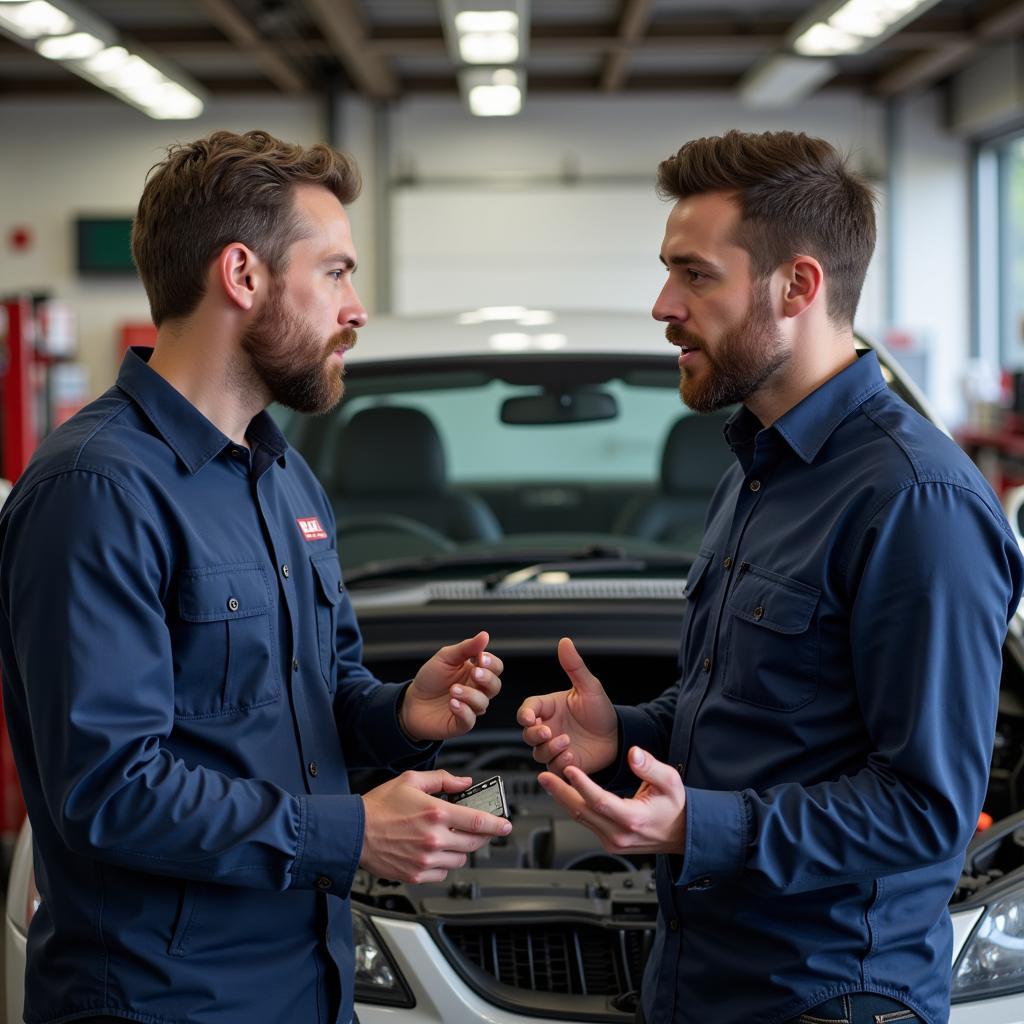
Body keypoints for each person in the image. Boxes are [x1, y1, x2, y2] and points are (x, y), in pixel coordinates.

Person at [0, 129, 511, 1024]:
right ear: (242, 275)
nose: (355, 309)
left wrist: (398, 715)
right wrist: (354, 831)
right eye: (337, 272)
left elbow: (314, 697)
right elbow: (109, 790)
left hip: (307, 987)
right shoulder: (96, 489)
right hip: (166, 1003)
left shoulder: (281, 474)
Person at [518, 130, 1024, 1024]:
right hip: (706, 982)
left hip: (830, 996)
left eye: (696, 275)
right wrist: (623, 731)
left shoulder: (916, 502)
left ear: (798, 285)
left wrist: (696, 827)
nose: (663, 304)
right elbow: (759, 714)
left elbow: (928, 810)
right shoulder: (758, 468)